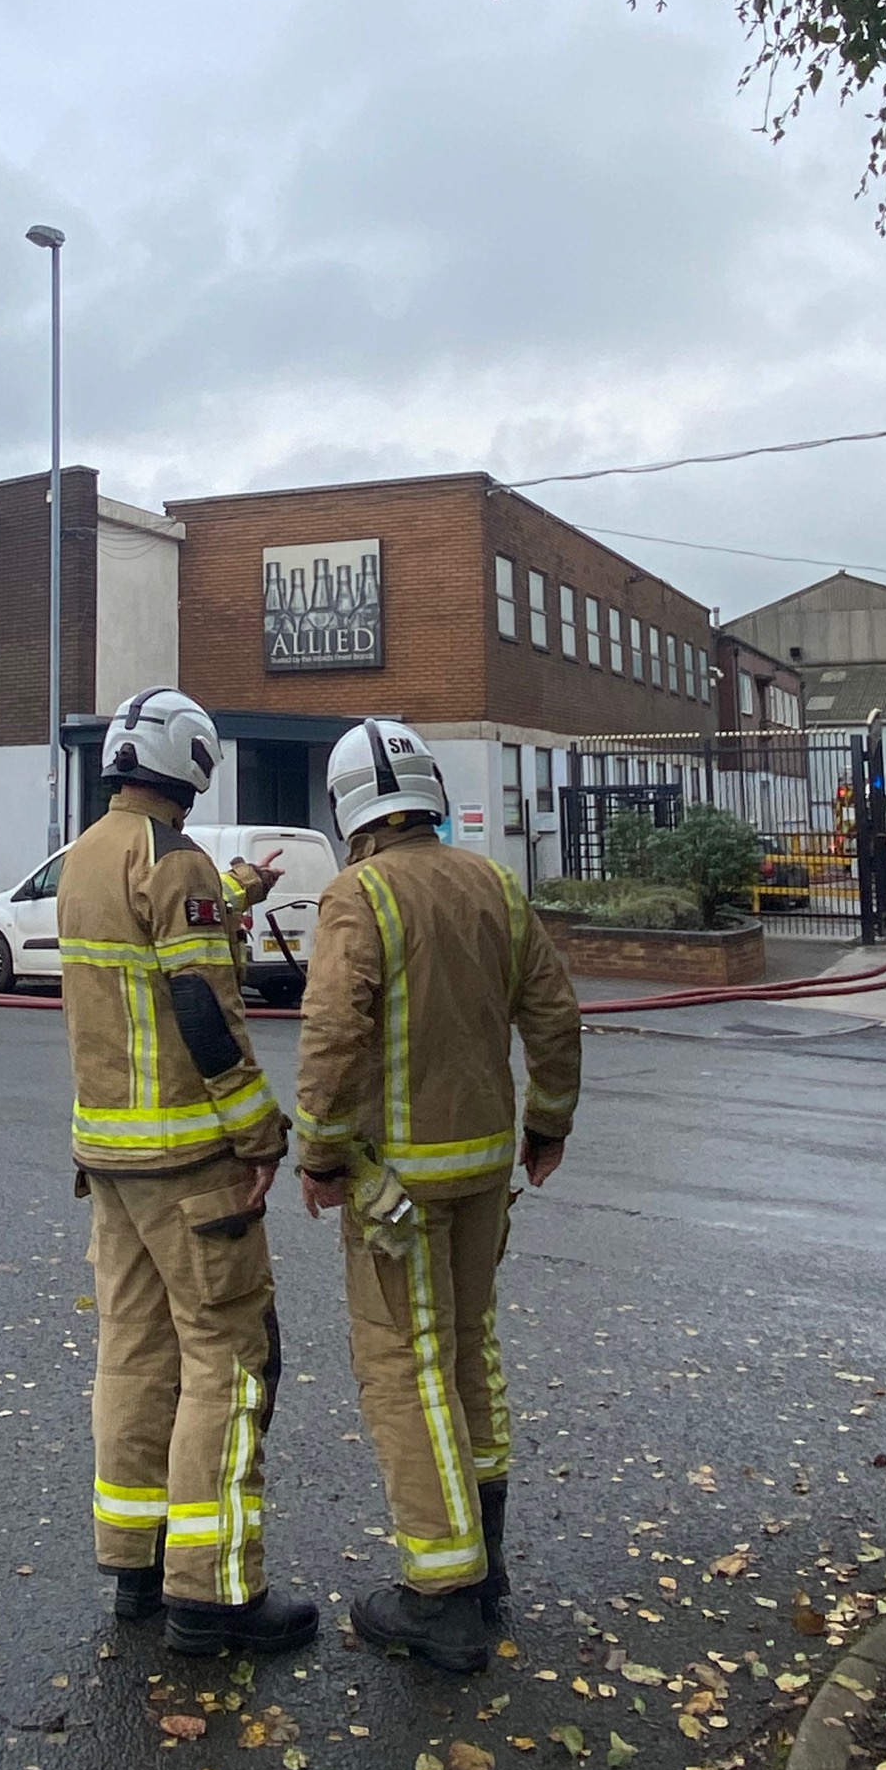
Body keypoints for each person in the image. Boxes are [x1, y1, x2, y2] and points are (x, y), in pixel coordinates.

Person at [296, 717, 582, 1674]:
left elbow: (333, 1031)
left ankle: (442, 1593)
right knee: (468, 1350)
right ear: (428, 795)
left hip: (399, 1187)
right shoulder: (494, 883)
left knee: (404, 1367)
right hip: (487, 1170)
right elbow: (555, 1014)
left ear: (349, 812)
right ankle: (486, 1559)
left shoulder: (359, 894)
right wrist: (548, 1125)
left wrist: (319, 1153)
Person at [57, 686, 319, 1659]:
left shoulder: (86, 854)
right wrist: (259, 1133)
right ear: (191, 763)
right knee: (229, 1357)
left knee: (134, 1352)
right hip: (188, 1161)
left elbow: (150, 941)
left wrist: (234, 891)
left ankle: (138, 1564)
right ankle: (213, 1593)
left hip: (110, 1158)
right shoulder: (175, 861)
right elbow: (202, 1007)